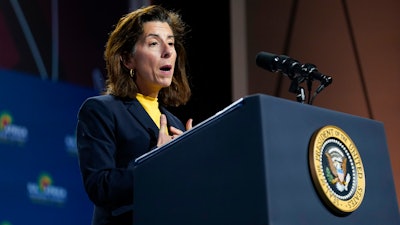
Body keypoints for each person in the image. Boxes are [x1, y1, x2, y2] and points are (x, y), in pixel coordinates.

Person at [76, 5, 193, 225]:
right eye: (154, 43)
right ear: (127, 59)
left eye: (171, 43)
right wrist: (156, 162)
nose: (167, 51)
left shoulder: (175, 124)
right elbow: (100, 187)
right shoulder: (102, 111)